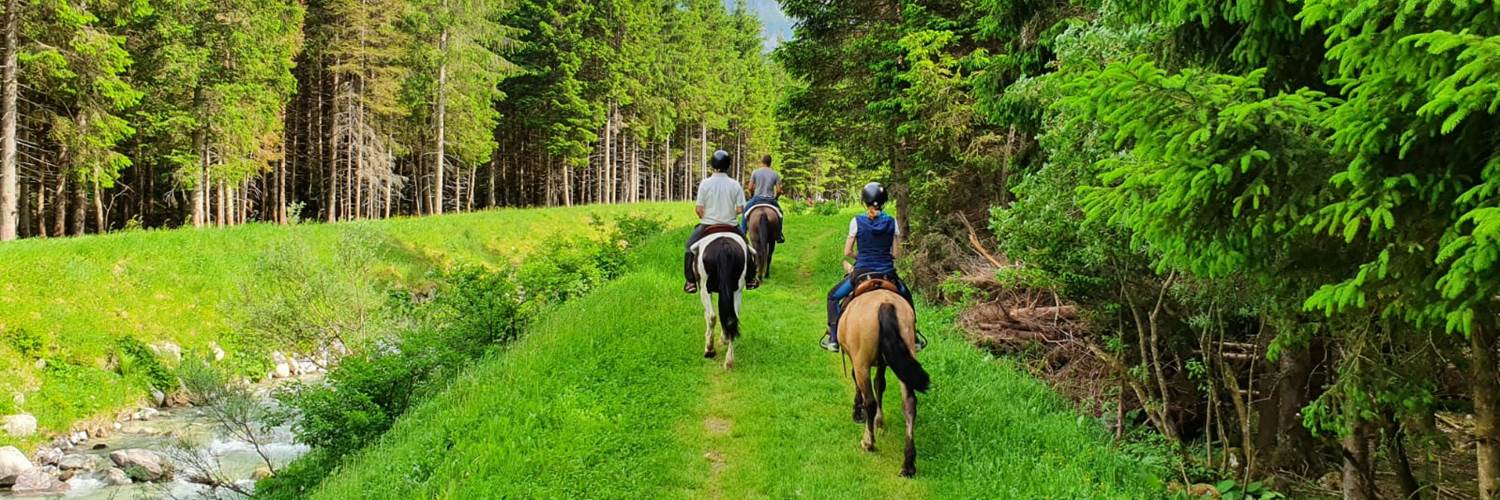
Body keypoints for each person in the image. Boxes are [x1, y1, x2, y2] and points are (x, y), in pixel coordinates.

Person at [820, 182, 919, 352]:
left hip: (862, 272)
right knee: (906, 296)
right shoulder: (892, 222)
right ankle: (914, 337)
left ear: (864, 201)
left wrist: (862, 257)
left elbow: (847, 251)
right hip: (887, 274)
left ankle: (834, 339)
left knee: (833, 297)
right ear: (884, 201)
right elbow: (896, 253)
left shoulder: (856, 221)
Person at [684, 150, 759, 293]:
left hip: (708, 225)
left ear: (712, 164)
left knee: (689, 247)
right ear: (728, 165)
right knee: (748, 248)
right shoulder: (735, 184)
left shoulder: (705, 183)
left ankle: (690, 282)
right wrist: (729, 213)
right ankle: (751, 278)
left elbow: (699, 209)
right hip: (731, 226)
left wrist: (705, 215)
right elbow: (740, 209)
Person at [740, 155, 785, 243]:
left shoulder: (755, 172)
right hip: (770, 200)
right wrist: (776, 197)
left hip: (757, 198)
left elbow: (750, 188)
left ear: (762, 162)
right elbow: (779, 190)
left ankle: (743, 232)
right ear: (770, 163)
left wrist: (752, 195)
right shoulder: (775, 174)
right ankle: (779, 234)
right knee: (781, 213)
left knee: (745, 211)